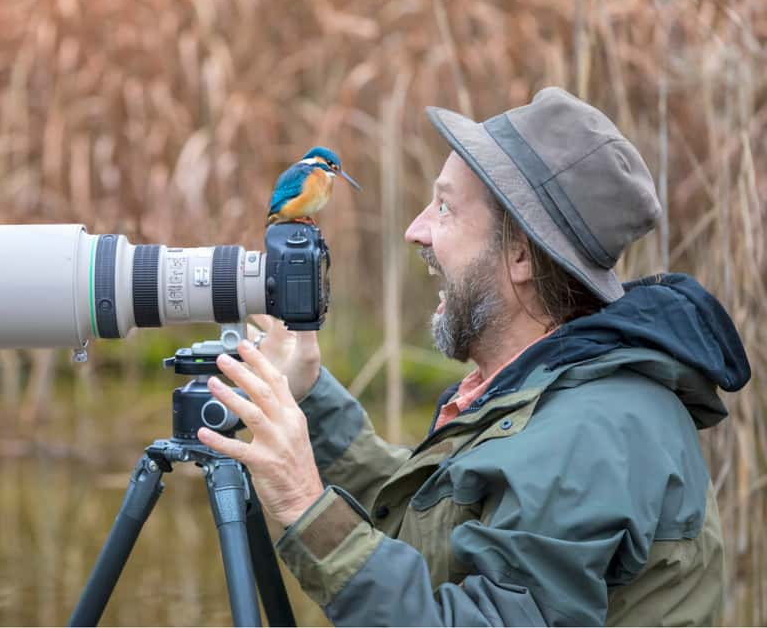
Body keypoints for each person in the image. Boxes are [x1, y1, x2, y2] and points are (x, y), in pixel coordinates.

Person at [197, 87, 751, 626]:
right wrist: (310, 399)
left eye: (444, 207)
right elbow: (437, 530)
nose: (415, 231)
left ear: (519, 255)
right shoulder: (542, 390)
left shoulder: (590, 436)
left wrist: (303, 505)